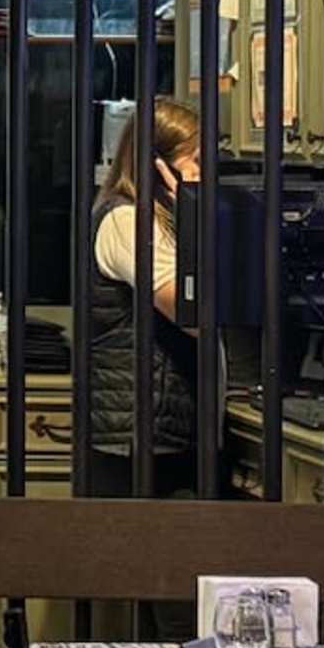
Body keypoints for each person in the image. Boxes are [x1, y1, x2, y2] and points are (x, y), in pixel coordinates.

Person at [81, 94, 205, 492]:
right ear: (160, 166)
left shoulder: (153, 219)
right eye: (196, 161)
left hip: (157, 427)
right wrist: (196, 215)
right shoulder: (129, 222)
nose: (205, 173)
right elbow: (195, 314)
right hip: (137, 433)